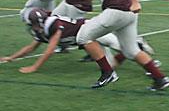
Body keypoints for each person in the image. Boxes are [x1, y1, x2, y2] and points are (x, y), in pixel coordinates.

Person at [0, 8, 158, 78]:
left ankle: (141, 51)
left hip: (93, 31)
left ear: (39, 22)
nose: (32, 28)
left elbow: (50, 49)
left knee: (127, 50)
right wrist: (11, 57)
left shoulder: (54, 25)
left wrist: (34, 67)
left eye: (33, 24)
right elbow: (30, 47)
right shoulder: (44, 28)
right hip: (89, 42)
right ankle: (136, 47)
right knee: (112, 66)